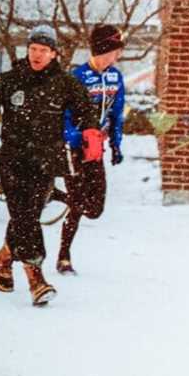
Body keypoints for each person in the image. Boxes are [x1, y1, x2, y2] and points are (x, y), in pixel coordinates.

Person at [0, 26, 101, 306]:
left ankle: (4, 258)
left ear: (54, 54)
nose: (37, 55)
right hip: (13, 160)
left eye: (43, 50)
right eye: (32, 49)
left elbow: (86, 112)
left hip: (45, 162)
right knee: (26, 217)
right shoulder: (6, 81)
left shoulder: (65, 84)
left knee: (25, 215)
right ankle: (36, 279)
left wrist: (91, 135)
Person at [56, 23, 127, 274]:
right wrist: (75, 138)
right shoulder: (77, 77)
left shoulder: (115, 77)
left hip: (96, 149)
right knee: (77, 203)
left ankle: (55, 195)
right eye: (115, 50)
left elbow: (117, 114)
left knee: (95, 209)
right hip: (74, 147)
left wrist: (116, 144)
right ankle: (64, 256)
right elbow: (62, 114)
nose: (117, 56)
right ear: (103, 49)